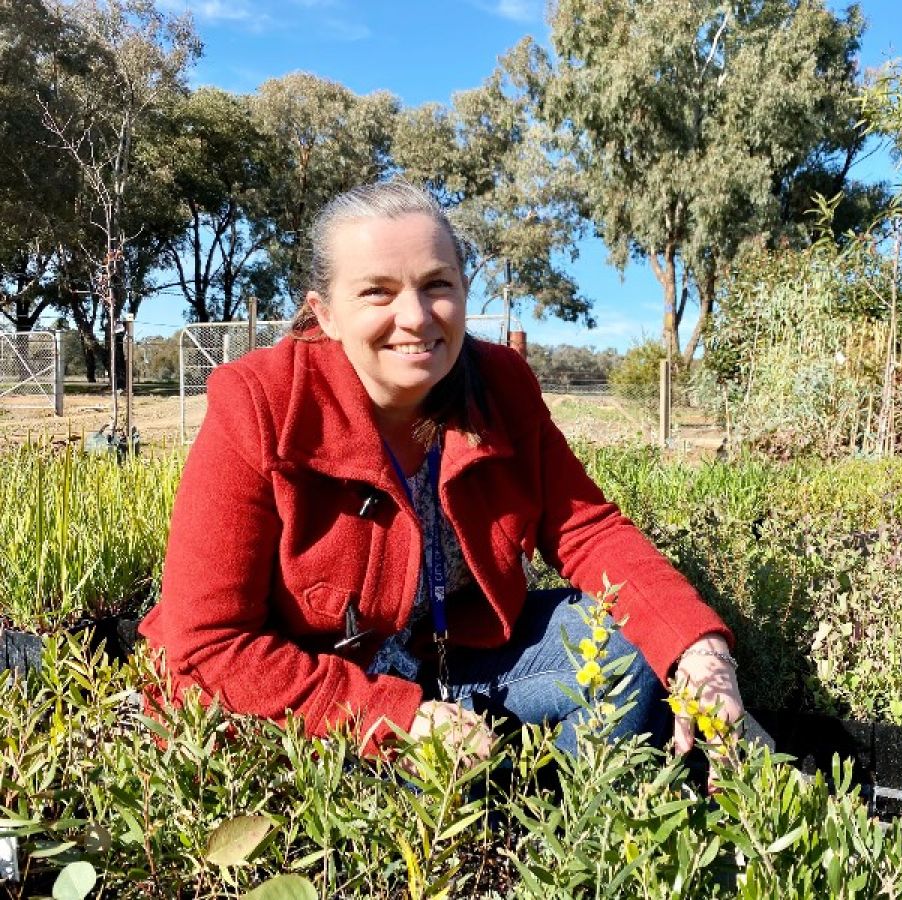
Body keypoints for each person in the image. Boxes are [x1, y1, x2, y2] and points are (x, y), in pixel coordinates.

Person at [139, 180, 742, 771]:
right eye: (377, 292)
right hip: (299, 692)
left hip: (443, 659)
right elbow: (211, 642)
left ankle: (557, 834)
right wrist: (393, 717)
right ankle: (468, 813)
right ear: (324, 314)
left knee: (632, 645)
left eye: (437, 285)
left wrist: (696, 647)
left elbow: (587, 529)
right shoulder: (259, 403)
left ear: (464, 289)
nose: (416, 317)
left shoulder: (499, 385)